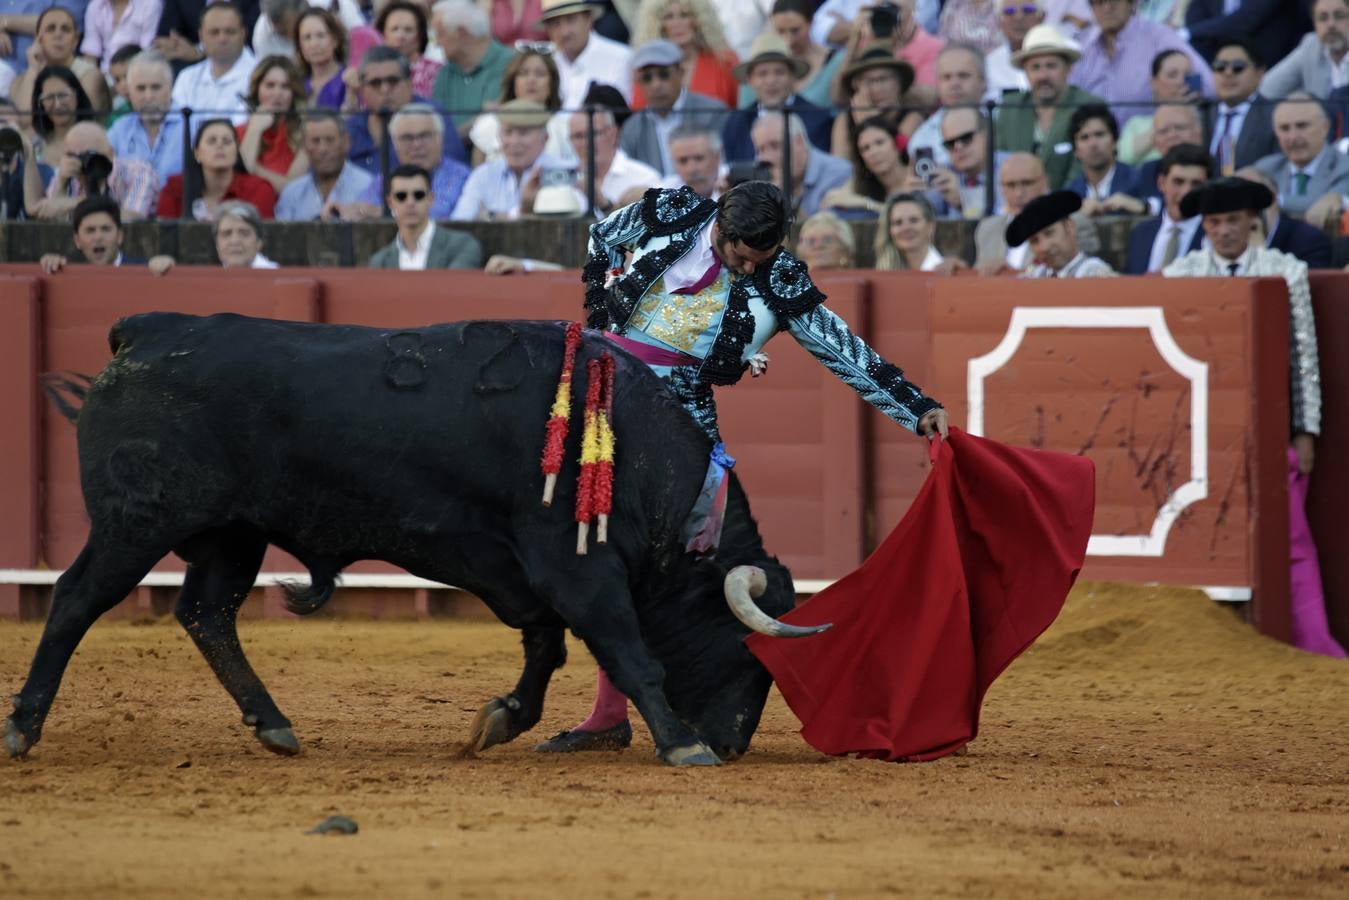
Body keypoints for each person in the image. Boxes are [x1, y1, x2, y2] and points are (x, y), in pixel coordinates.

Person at [536, 179, 948, 753]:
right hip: (608, 404)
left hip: (683, 428)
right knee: (599, 551)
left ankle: (685, 700)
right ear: (722, 228)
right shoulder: (675, 213)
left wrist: (916, 408)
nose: (747, 270)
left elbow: (843, 351)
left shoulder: (779, 278)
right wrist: (604, 324)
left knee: (673, 568)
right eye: (738, 256)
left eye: (760, 259)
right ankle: (610, 712)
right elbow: (603, 237)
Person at [1163, 176, 1344, 660]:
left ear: (1252, 222)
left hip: (1268, 432)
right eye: (1215, 222)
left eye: (1233, 221)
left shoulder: (1285, 269)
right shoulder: (1181, 274)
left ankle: (1308, 647)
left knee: (1289, 537)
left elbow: (1304, 354)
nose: (1223, 231)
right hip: (1203, 435)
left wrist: (1305, 430)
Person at [995, 23, 1105, 190]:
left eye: (1051, 66)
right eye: (1035, 67)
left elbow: (1086, 170)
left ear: (1068, 69)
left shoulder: (1089, 106)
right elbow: (1000, 164)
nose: (1043, 76)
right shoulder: (1010, 109)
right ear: (1026, 72)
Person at [1068, 0, 1212, 112]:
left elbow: (1207, 85)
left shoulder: (1159, 37)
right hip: (1095, 145)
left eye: (1114, 1)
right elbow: (1068, 97)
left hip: (1153, 143)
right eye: (1099, 2)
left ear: (1132, 3)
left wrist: (1180, 101)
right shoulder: (1085, 48)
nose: (1107, 8)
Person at [345, 46, 468, 173]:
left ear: (410, 84)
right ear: (363, 89)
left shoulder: (431, 115)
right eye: (375, 83)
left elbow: (453, 168)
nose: (385, 89)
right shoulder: (352, 127)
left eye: (393, 81)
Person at [975, 150, 1101, 274]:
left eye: (1027, 183)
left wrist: (1012, 273)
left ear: (1045, 181)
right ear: (1001, 188)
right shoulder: (988, 229)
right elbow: (978, 274)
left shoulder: (1074, 221)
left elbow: (1078, 267)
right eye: (1011, 185)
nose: (1018, 193)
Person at [619, 39, 727, 175]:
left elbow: (725, 166)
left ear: (681, 73)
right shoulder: (632, 127)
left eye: (663, 74)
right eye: (647, 78)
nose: (656, 84)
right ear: (638, 83)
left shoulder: (713, 112)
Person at [721, 30, 833, 162]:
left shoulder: (818, 118)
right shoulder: (736, 123)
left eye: (779, 72)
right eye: (762, 74)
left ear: (792, 76)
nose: (771, 81)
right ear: (750, 80)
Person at [345, 102, 472, 218]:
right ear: (394, 144)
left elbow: (439, 213)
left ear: (440, 139)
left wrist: (385, 213)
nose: (416, 144)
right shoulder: (383, 181)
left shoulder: (464, 178)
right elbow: (362, 208)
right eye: (407, 138)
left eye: (425, 136)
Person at [452, 98, 573, 219]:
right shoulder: (483, 175)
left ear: (545, 138)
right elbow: (460, 221)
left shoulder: (563, 172)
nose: (514, 142)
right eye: (508, 132)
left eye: (524, 133)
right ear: (499, 137)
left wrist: (491, 216)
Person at [27, 120, 159, 221]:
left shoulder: (139, 173)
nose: (80, 162)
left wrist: (81, 202)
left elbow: (132, 218)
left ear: (110, 153)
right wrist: (61, 184)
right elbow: (51, 218)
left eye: (88, 155)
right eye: (72, 155)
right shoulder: (66, 174)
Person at [1253, 93, 1349, 226]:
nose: (1292, 137)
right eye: (1284, 128)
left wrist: (1271, 199)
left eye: (1302, 126)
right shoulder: (1265, 168)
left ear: (1325, 127)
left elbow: (1325, 207)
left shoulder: (1344, 167)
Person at [156, 117, 278, 219]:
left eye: (227, 141)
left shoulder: (259, 189)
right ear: (197, 154)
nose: (220, 145)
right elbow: (164, 237)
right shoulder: (175, 188)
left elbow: (262, 237)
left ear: (236, 152)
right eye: (211, 141)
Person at [466, 46, 571, 164]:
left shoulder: (566, 127)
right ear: (513, 82)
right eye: (523, 73)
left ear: (552, 84)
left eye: (540, 74)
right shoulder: (489, 125)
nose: (531, 80)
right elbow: (478, 175)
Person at [370, 162, 483, 268]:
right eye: (401, 196)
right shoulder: (380, 262)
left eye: (418, 195)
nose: (410, 203)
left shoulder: (462, 245)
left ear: (430, 199)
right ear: (390, 203)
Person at [1122, 142, 1212, 273]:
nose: (1186, 192)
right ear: (1161, 183)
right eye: (1178, 182)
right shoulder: (1141, 233)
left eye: (1196, 184)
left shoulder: (1213, 235)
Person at [630, 0, 738, 109]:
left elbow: (738, 110)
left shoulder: (724, 60)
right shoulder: (646, 68)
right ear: (658, 25)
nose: (677, 23)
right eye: (669, 17)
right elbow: (640, 111)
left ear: (699, 20)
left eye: (685, 15)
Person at [429, 0, 512, 140]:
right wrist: (477, 122)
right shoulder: (445, 73)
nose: (437, 43)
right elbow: (436, 130)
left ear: (461, 32)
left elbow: (498, 126)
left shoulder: (511, 64)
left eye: (440, 34)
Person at [828, 41, 920, 161]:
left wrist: (870, 124)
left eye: (883, 79)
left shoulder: (912, 117)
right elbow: (839, 167)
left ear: (898, 83)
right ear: (857, 87)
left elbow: (894, 158)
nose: (877, 89)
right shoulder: (845, 119)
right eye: (869, 81)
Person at [274, 109, 374, 220]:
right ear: (304, 146)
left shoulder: (368, 186)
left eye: (330, 140)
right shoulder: (292, 193)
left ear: (346, 142)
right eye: (315, 141)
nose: (323, 149)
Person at [751, 109, 852, 218]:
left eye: (775, 146)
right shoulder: (764, 181)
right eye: (760, 150)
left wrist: (783, 200)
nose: (768, 157)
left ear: (799, 141)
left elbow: (832, 230)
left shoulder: (839, 174)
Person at [10, 7, 110, 116]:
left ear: (75, 40)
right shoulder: (21, 81)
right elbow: (25, 119)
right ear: (38, 39)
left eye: (65, 29)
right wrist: (33, 68)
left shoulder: (90, 76)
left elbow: (83, 121)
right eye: (50, 29)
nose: (58, 35)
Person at [169, 2, 256, 126]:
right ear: (201, 35)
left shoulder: (259, 76)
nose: (222, 39)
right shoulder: (186, 78)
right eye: (214, 32)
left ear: (243, 33)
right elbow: (176, 127)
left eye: (230, 32)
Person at [38, 194, 173, 273]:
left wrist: (165, 265)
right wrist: (51, 264)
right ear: (77, 240)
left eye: (105, 229)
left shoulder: (144, 269)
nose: (98, 237)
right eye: (90, 230)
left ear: (120, 236)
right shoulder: (65, 269)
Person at [106, 50, 182, 189]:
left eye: (156, 87)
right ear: (129, 91)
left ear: (171, 88)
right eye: (140, 88)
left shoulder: (192, 125)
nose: (148, 96)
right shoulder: (120, 129)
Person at [237, 55, 309, 194]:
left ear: (293, 93)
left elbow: (291, 190)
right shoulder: (236, 132)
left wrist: (253, 168)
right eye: (270, 85)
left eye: (285, 87)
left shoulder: (305, 135)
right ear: (257, 89)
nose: (277, 93)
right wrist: (254, 130)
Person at [1234, 165, 1332, 268]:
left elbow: (1302, 283)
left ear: (1272, 197)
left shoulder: (1310, 242)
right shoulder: (1225, 240)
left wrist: (1260, 254)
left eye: (1249, 199)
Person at [539, 0, 632, 108]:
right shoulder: (546, 64)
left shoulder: (621, 58)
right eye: (555, 24)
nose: (564, 32)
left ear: (589, 19)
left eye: (571, 19)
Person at [569, 106, 660, 215]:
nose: (586, 143)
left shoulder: (644, 178)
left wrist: (603, 202)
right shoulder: (565, 180)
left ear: (613, 134)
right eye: (578, 136)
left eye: (594, 134)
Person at [907, 43, 987, 167]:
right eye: (946, 77)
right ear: (937, 84)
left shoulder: (1002, 122)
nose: (954, 84)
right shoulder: (922, 139)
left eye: (963, 76)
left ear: (983, 81)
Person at [1206, 37, 1278, 175]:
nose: (1228, 73)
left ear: (1260, 73)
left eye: (1238, 67)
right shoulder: (1201, 112)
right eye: (1220, 67)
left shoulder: (1274, 116)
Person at [1116, 49, 1200, 166]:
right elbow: (1122, 157)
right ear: (1154, 82)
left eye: (1187, 75)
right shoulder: (1137, 124)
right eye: (1172, 75)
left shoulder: (1205, 119)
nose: (1181, 81)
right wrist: (1168, 117)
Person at [1006, 188, 1115, 277]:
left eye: (1049, 233)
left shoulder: (1096, 275)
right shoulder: (1033, 278)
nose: (1044, 247)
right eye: (1034, 241)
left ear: (1070, 227)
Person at [1183, 0, 1307, 75]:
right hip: (1218, 72)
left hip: (1269, 71)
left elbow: (1244, 21)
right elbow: (1194, 25)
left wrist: (1184, 33)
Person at [820, 115, 911, 215]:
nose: (874, 152)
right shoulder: (860, 180)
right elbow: (832, 199)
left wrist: (865, 203)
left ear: (898, 144)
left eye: (879, 143)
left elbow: (903, 214)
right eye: (865, 148)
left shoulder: (916, 177)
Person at [1064, 102, 1145, 214]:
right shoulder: (1070, 194)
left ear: (1115, 141)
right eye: (1084, 137)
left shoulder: (1139, 180)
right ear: (1076, 151)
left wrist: (1144, 207)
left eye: (1099, 134)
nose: (1093, 144)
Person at [762, 0, 843, 110]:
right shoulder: (760, 65)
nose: (788, 41)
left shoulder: (836, 61)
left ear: (811, 23)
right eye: (780, 31)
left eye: (795, 31)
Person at [1259, 0, 1347, 100]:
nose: (1331, 25)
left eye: (1339, 16)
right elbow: (1267, 89)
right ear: (1315, 24)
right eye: (1323, 18)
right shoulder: (1311, 46)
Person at [927, 105, 1001, 219]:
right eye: (950, 143)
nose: (958, 147)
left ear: (987, 135)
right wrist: (915, 199)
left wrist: (963, 201)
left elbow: (1006, 221)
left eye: (966, 138)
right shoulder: (944, 173)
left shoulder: (1012, 168)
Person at [1132, 101, 1205, 210]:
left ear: (1198, 133)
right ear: (1155, 142)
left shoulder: (1214, 167)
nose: (1172, 135)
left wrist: (1148, 207)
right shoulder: (1148, 171)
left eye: (1180, 128)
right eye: (1164, 131)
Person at [28, 64, 98, 169]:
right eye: (49, 97)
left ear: (77, 95)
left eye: (63, 95)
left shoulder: (97, 140)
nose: (57, 105)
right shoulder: (35, 147)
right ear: (40, 104)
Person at [874, 190, 953, 271]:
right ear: (889, 230)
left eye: (913, 220)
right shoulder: (883, 270)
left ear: (930, 226)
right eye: (898, 223)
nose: (906, 228)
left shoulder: (950, 273)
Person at [378, 1, 441, 97]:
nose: (400, 36)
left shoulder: (437, 72)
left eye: (408, 30)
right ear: (384, 35)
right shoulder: (374, 71)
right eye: (394, 29)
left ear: (420, 36)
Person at [81, 0, 161, 73]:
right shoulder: (95, 6)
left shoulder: (150, 4)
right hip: (105, 74)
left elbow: (147, 50)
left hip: (137, 71)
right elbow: (90, 53)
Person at [294, 6, 349, 110]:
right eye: (307, 37)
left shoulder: (347, 81)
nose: (314, 44)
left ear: (335, 40)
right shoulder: (296, 86)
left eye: (320, 35)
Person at [984, 0, 1042, 97]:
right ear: (998, 21)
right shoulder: (989, 65)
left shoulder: (1063, 58)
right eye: (1009, 11)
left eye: (1027, 10)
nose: (1018, 17)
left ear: (1042, 17)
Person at [659, 122, 723, 196]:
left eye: (699, 158)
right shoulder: (664, 192)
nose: (691, 169)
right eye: (683, 161)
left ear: (717, 158)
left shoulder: (735, 186)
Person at [214, 199, 279, 267]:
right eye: (226, 234)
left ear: (259, 242)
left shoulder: (280, 276)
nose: (235, 241)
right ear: (217, 244)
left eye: (244, 234)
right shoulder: (207, 276)